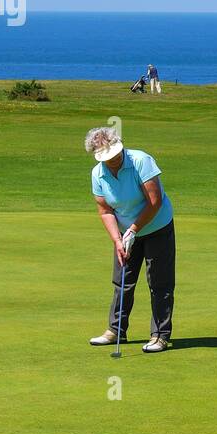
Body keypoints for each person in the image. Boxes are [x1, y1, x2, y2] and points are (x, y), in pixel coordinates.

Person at [84, 127, 175, 353]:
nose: (113, 160)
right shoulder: (98, 174)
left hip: (157, 226)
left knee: (159, 282)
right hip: (125, 232)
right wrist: (117, 239)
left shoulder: (141, 161)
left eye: (115, 155)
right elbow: (105, 210)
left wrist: (134, 229)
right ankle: (116, 330)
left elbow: (154, 201)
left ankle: (160, 335)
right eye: (107, 158)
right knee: (123, 281)